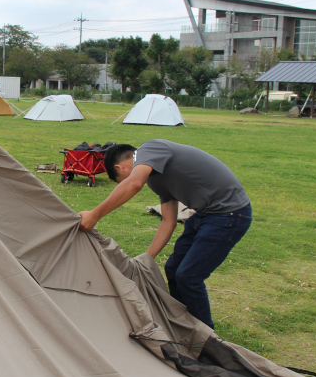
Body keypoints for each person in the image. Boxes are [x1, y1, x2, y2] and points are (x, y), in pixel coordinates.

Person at [78, 140, 252, 329]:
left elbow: (134, 184)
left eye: (122, 179)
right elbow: (168, 221)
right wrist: (146, 259)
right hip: (204, 215)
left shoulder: (150, 148)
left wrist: (95, 215)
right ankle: (184, 325)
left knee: (189, 276)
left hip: (229, 214)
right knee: (173, 268)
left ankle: (207, 339)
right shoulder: (156, 179)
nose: (128, 181)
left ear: (120, 167)